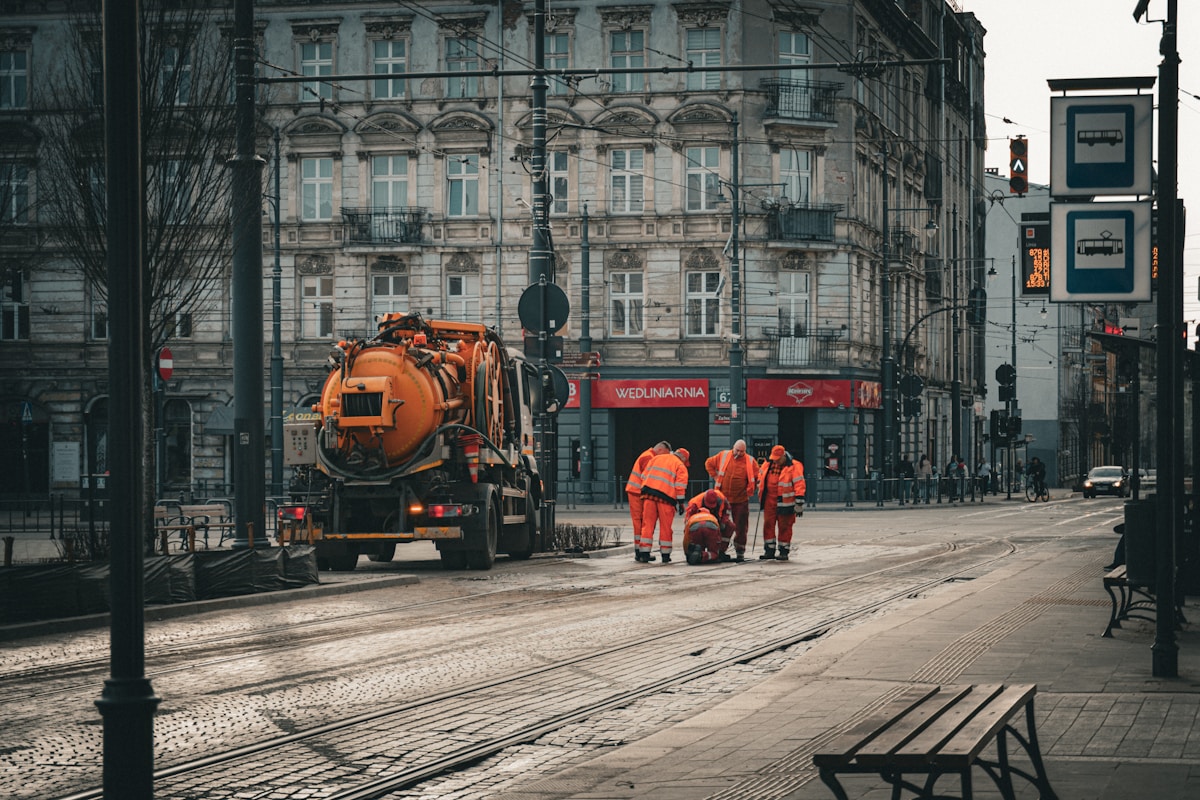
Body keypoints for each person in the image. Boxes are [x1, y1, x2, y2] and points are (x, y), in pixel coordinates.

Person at [705, 439, 760, 562]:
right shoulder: (723, 455)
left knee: (741, 526)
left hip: (741, 499)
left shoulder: (750, 461)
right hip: (723, 499)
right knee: (722, 524)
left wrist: (754, 487)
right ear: (733, 448)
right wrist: (715, 476)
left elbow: (758, 476)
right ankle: (720, 550)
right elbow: (708, 463)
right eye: (737, 450)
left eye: (742, 451)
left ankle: (740, 550)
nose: (739, 453)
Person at [637, 447, 690, 563]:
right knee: (665, 527)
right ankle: (665, 555)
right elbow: (680, 487)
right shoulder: (680, 466)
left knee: (647, 524)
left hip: (648, 496)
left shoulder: (656, 459)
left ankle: (644, 553)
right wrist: (681, 503)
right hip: (666, 499)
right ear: (684, 459)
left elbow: (643, 476)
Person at [758, 445, 803, 561]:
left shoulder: (794, 466)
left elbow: (799, 484)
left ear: (783, 456)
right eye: (774, 458)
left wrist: (799, 503)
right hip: (769, 500)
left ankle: (783, 551)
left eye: (778, 459)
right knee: (768, 524)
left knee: (785, 526)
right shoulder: (768, 464)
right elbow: (760, 477)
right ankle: (769, 550)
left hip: (786, 502)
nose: (776, 461)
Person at [625, 441, 671, 550]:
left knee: (641, 521)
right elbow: (649, 478)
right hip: (637, 493)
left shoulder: (647, 455)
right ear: (660, 450)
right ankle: (640, 550)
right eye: (664, 454)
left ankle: (640, 549)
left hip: (637, 492)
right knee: (641, 521)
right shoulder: (649, 458)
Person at [682, 489, 735, 564]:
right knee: (714, 554)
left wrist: (687, 551)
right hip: (712, 527)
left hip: (698, 527)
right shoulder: (695, 503)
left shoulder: (722, 498)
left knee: (729, 526)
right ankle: (708, 554)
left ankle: (702, 552)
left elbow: (688, 524)